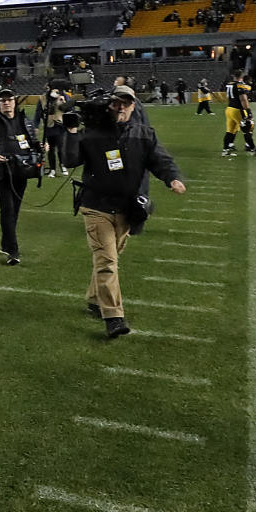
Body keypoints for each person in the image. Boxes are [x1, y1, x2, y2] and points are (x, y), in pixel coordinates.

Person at [63, 84, 187, 338]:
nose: (121, 107)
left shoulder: (144, 134)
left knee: (111, 258)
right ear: (110, 104)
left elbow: (160, 160)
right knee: (107, 261)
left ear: (133, 106)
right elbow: (70, 160)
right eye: (117, 102)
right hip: (97, 207)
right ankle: (114, 318)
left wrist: (172, 178)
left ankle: (95, 298)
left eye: (126, 103)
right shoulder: (93, 133)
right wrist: (72, 131)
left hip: (127, 208)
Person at [0, 87, 40, 265]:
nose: (6, 103)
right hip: (1, 172)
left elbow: (32, 143)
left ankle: (6, 244)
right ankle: (13, 251)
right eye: (3, 100)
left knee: (15, 209)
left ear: (15, 101)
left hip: (21, 170)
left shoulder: (23, 120)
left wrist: (41, 148)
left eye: (9, 99)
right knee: (8, 209)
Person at [222, 71, 256, 156]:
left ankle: (225, 150)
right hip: (238, 110)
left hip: (229, 109)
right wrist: (248, 111)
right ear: (242, 76)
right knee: (248, 128)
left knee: (230, 131)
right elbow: (243, 99)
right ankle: (252, 148)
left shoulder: (229, 84)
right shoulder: (239, 85)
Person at [36, 88, 69, 177]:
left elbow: (69, 108)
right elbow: (38, 112)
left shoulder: (63, 95)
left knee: (61, 147)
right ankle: (52, 169)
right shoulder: (43, 98)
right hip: (49, 126)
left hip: (60, 125)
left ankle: (63, 165)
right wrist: (36, 125)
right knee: (51, 149)